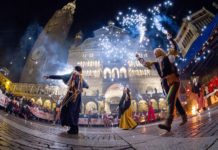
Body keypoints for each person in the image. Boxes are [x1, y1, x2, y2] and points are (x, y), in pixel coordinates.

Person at [136, 33, 187, 132]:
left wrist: (170, 38)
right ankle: (184, 116)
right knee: (174, 101)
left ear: (161, 52)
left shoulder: (169, 58)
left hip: (173, 81)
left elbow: (174, 48)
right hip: (165, 84)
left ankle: (168, 122)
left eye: (157, 52)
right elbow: (146, 64)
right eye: (154, 53)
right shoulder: (155, 64)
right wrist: (139, 58)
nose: (155, 53)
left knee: (170, 99)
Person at [44, 66, 89, 134]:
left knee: (69, 110)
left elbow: (60, 76)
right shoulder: (81, 78)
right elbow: (87, 86)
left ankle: (73, 128)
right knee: (73, 112)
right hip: (77, 97)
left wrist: (49, 76)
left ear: (75, 70)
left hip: (72, 96)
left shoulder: (73, 75)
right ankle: (74, 128)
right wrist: (83, 86)